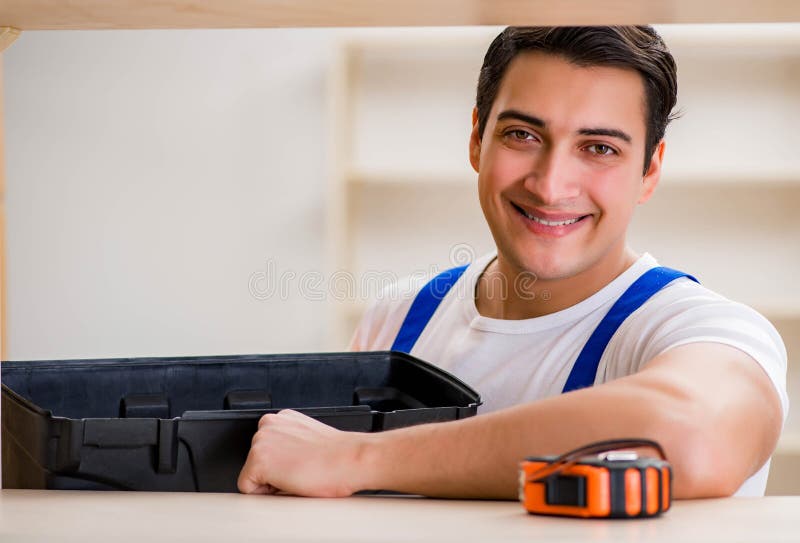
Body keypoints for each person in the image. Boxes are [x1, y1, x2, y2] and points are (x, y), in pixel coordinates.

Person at [238, 26, 787, 499]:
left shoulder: (698, 329)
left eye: (599, 148)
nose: (550, 185)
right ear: (477, 139)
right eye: (522, 135)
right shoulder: (400, 318)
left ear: (650, 170)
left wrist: (357, 459)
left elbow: (689, 435)